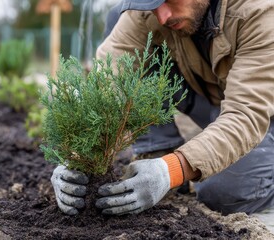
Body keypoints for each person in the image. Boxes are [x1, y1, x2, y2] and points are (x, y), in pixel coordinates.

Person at [51, 0, 274, 216]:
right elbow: (111, 76)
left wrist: (172, 170)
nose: (162, 15)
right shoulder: (153, 11)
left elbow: (246, 113)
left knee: (224, 192)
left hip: (259, 114)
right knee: (117, 15)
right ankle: (158, 148)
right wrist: (75, 158)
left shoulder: (259, 12)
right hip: (215, 100)